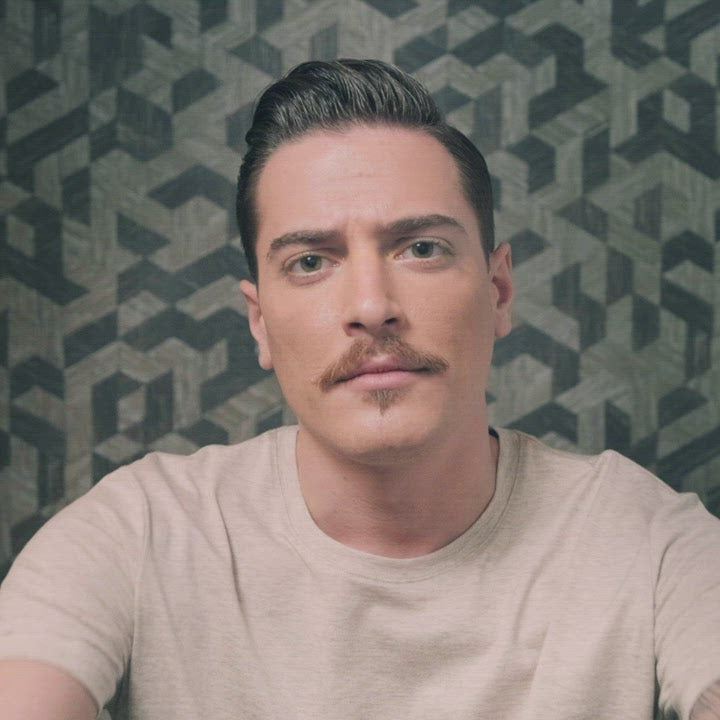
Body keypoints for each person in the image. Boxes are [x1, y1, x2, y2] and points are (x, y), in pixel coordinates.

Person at [0, 58, 718, 720]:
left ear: (499, 291)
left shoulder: (646, 539)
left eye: (422, 248)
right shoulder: (142, 531)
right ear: (259, 322)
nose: (372, 306)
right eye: (311, 262)